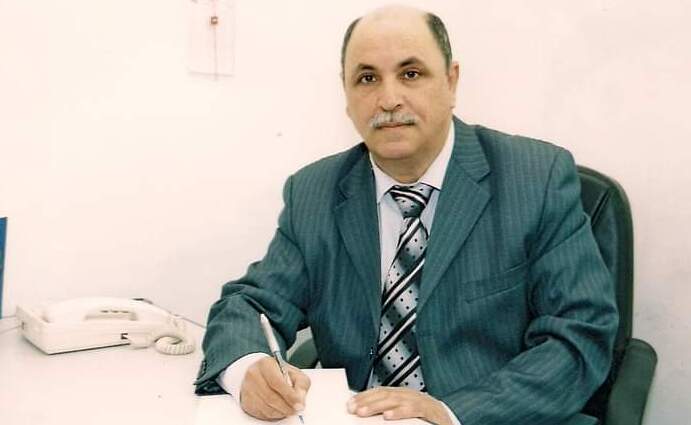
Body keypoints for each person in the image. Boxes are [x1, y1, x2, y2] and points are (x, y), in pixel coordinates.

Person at [195, 5, 618, 425]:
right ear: (346, 96)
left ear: (451, 81)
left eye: (411, 74)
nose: (389, 99)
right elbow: (250, 304)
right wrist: (247, 369)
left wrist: (451, 411)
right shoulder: (314, 191)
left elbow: (579, 336)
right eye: (367, 78)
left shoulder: (535, 178)